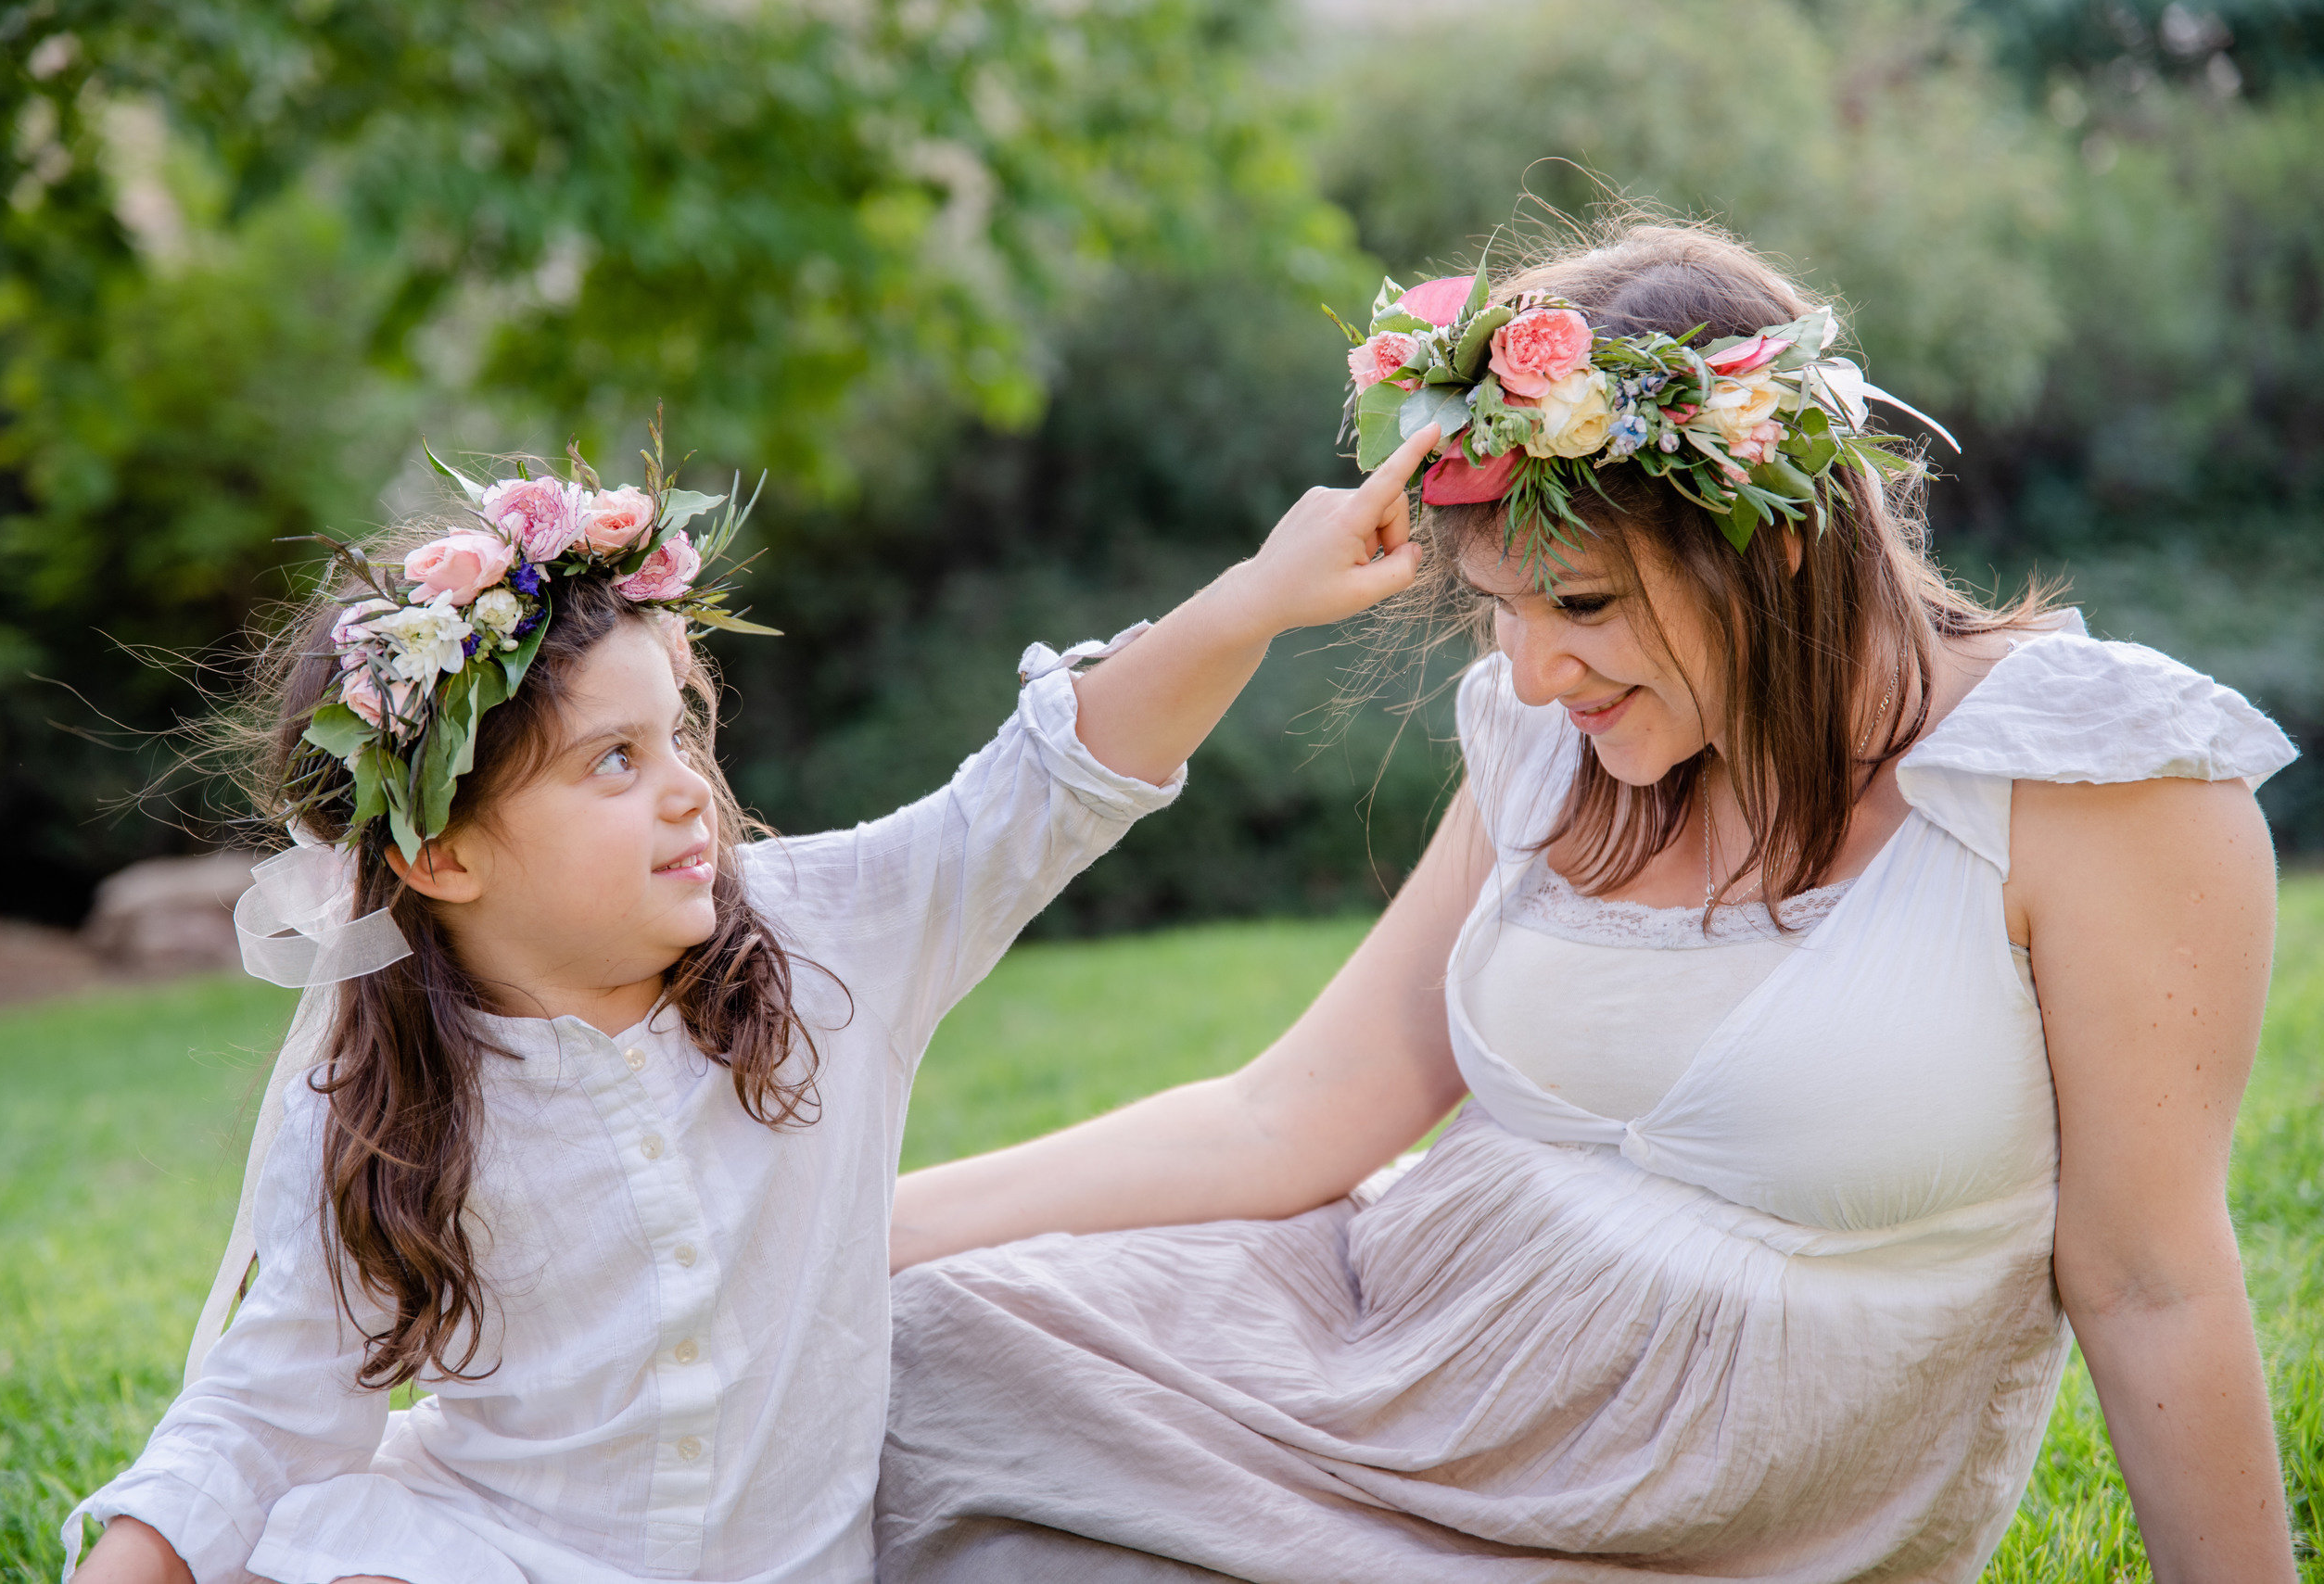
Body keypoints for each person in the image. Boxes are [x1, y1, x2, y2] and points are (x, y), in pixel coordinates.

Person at [877, 220, 2304, 1583]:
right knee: (906, 1343)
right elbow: (1291, 1113)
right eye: (1501, 604)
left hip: (1672, 1531)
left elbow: (2151, 1281)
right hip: (1367, 1366)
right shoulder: (1557, 743)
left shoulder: (2094, 780)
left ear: (1775, 539)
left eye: (1582, 604)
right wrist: (840, 1226)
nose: (1531, 670)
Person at [62, 420, 1442, 1583]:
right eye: (612, 761)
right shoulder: (380, 1096)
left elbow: (1045, 793)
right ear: (442, 855)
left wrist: (1255, 597)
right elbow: (266, 1404)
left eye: (678, 735)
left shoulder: (824, 943)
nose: (687, 790)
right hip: (496, 1551)